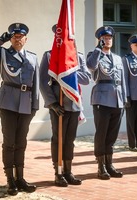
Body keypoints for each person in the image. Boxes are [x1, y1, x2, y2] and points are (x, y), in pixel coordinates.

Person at [0, 23, 39, 195]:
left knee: (21, 143)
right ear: (11, 38)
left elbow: (34, 85)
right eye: (14, 36)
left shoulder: (33, 57)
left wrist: (34, 106)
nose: (18, 39)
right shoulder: (2, 54)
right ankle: (10, 180)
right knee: (9, 143)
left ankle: (20, 178)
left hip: (26, 104)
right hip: (8, 102)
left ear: (26, 39)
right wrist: (1, 40)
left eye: (21, 36)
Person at [39, 24, 91, 187]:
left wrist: (69, 70)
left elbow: (86, 79)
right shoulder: (49, 56)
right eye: (59, 37)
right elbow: (42, 82)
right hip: (58, 103)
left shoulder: (78, 57)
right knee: (58, 139)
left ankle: (68, 172)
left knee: (70, 139)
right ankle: (58, 172)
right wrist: (52, 103)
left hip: (73, 103)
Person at [86, 26, 126, 180]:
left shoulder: (117, 58)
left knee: (112, 135)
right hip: (102, 99)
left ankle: (110, 164)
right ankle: (100, 166)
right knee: (101, 133)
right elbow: (90, 66)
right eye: (104, 38)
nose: (107, 40)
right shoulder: (94, 55)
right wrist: (98, 49)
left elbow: (122, 81)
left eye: (109, 38)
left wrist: (125, 99)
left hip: (117, 99)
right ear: (100, 40)